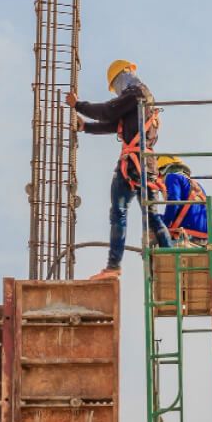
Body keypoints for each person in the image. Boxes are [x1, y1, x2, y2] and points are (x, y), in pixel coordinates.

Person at [67, 59, 172, 280]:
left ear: (123, 76)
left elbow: (107, 111)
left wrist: (78, 105)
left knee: (119, 213)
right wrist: (86, 126)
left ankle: (113, 266)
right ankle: (171, 261)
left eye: (115, 86)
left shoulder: (136, 93)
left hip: (132, 164)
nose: (116, 92)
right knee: (152, 216)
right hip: (147, 167)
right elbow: (114, 124)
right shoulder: (143, 101)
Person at [156, 155, 210, 246]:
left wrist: (164, 225)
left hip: (187, 235)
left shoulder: (172, 177)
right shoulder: (197, 185)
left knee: (154, 220)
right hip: (204, 238)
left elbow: (174, 202)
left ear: (161, 171)